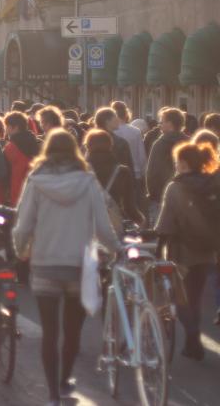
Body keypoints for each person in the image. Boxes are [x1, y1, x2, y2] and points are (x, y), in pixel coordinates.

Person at [13, 129, 121, 405]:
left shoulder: (36, 182)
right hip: (79, 265)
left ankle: (52, 394)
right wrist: (115, 249)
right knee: (72, 330)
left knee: (50, 332)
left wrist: (21, 249)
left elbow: (23, 224)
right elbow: (103, 225)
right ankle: (65, 379)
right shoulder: (88, 182)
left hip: (45, 263)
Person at [154, 142, 219, 360]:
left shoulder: (176, 187)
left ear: (182, 163)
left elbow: (165, 224)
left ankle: (192, 337)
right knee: (196, 297)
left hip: (181, 251)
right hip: (207, 250)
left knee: (179, 298)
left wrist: (158, 247)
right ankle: (193, 341)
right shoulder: (214, 183)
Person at [84, 129, 145, 225]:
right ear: (110, 146)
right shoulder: (122, 171)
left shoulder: (81, 171)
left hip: (85, 225)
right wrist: (140, 220)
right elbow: (129, 207)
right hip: (112, 223)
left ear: (88, 147)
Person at [147, 107, 189, 224]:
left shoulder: (160, 144)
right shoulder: (190, 142)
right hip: (187, 196)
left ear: (170, 123)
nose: (159, 125)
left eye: (162, 122)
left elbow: (152, 172)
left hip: (162, 196)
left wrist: (153, 194)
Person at [2, 111, 40, 207]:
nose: (6, 130)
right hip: (36, 190)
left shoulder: (10, 148)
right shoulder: (37, 143)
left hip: (16, 192)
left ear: (15, 127)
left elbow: (4, 173)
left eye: (7, 127)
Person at [111, 101, 147, 188]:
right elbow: (142, 157)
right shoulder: (136, 131)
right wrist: (142, 173)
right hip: (135, 173)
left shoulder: (110, 132)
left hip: (114, 175)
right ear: (126, 114)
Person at [94, 107, 135, 180]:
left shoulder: (88, 142)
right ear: (107, 121)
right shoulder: (120, 143)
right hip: (116, 185)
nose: (118, 120)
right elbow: (128, 169)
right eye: (115, 117)